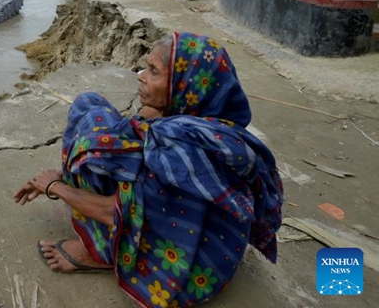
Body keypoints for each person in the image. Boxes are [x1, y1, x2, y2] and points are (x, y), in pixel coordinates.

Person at [14, 32, 283, 308]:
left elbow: (118, 213)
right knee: (90, 108)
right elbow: (129, 131)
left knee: (104, 154)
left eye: (153, 72)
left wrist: (55, 187)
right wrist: (65, 171)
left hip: (190, 260)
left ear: (184, 85)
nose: (140, 75)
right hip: (173, 208)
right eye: (146, 66)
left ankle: (101, 254)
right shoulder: (197, 112)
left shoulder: (181, 151)